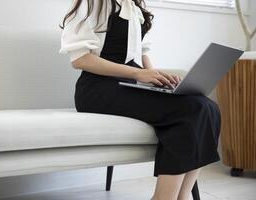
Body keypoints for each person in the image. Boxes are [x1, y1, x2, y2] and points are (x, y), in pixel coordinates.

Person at [59, 0, 221, 199]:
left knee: (208, 107)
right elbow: (80, 60)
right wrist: (138, 74)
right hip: (97, 89)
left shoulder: (133, 6)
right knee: (190, 109)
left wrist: (158, 78)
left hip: (130, 85)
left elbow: (141, 54)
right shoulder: (92, 2)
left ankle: (183, 195)